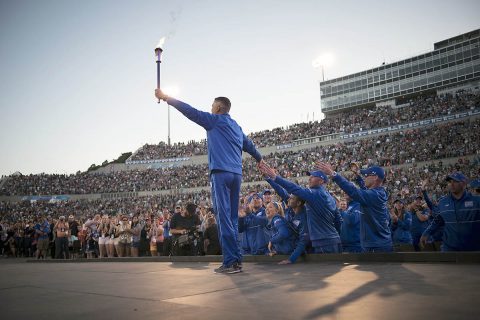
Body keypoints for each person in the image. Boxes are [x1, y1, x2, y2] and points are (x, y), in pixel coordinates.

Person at [155, 90, 263, 273]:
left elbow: (190, 111)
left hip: (220, 173)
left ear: (219, 107)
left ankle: (230, 262)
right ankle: (236, 260)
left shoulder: (215, 120)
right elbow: (250, 146)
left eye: (212, 105)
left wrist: (166, 98)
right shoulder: (236, 126)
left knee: (223, 218)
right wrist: (260, 159)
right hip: (236, 175)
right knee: (233, 219)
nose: (210, 108)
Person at [259, 163, 341, 254]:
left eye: (313, 177)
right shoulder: (297, 205)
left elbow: (294, 188)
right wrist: (268, 179)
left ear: (321, 181)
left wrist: (275, 177)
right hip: (330, 240)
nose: (309, 178)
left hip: (322, 243)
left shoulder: (315, 194)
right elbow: (282, 192)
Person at [315, 162, 393, 252]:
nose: (365, 178)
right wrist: (358, 177)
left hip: (376, 246)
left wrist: (333, 174)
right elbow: (365, 190)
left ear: (375, 178)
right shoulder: (377, 193)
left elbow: (354, 191)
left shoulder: (374, 195)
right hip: (378, 243)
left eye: (367, 175)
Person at [420, 172, 480, 251]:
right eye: (449, 182)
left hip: (473, 249)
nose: (451, 184)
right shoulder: (443, 202)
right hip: (449, 249)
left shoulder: (476, 201)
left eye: (455, 181)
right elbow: (437, 221)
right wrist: (426, 233)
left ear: (463, 183)